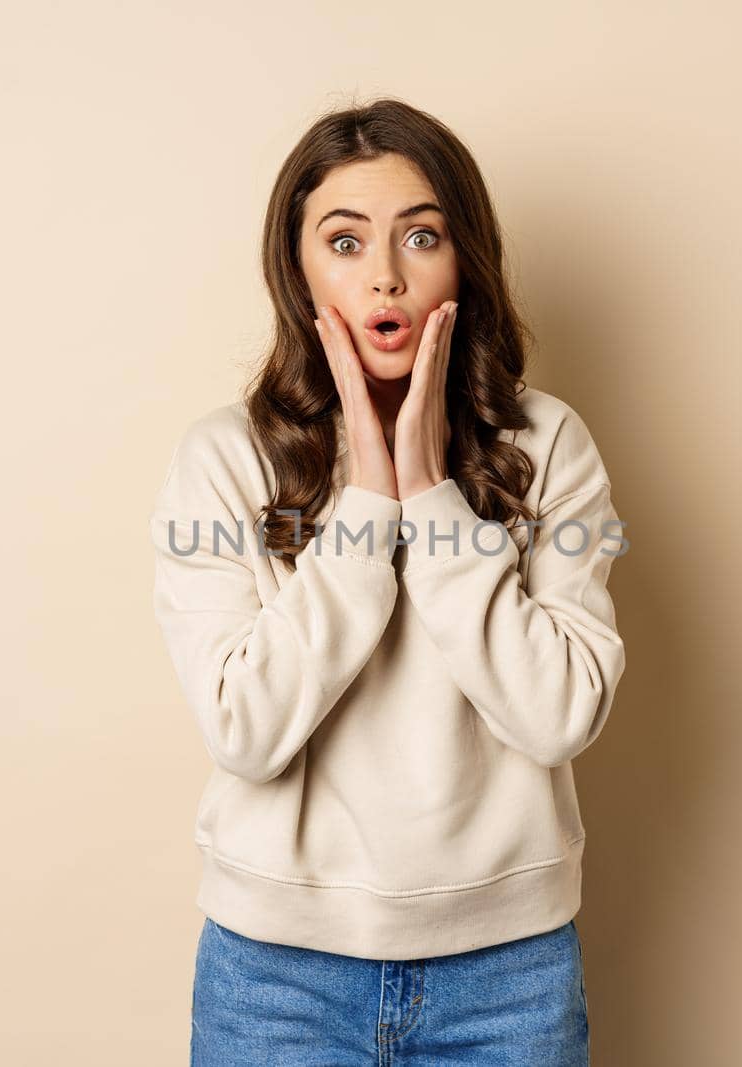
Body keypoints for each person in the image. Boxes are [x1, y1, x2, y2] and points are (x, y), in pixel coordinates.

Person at [150, 97, 627, 1065]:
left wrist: (432, 495)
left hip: (509, 972)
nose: (385, 276)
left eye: (421, 235)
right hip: (274, 973)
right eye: (343, 239)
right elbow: (245, 727)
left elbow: (559, 714)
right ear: (296, 269)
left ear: (467, 259)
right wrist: (366, 501)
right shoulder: (223, 461)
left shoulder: (547, 444)